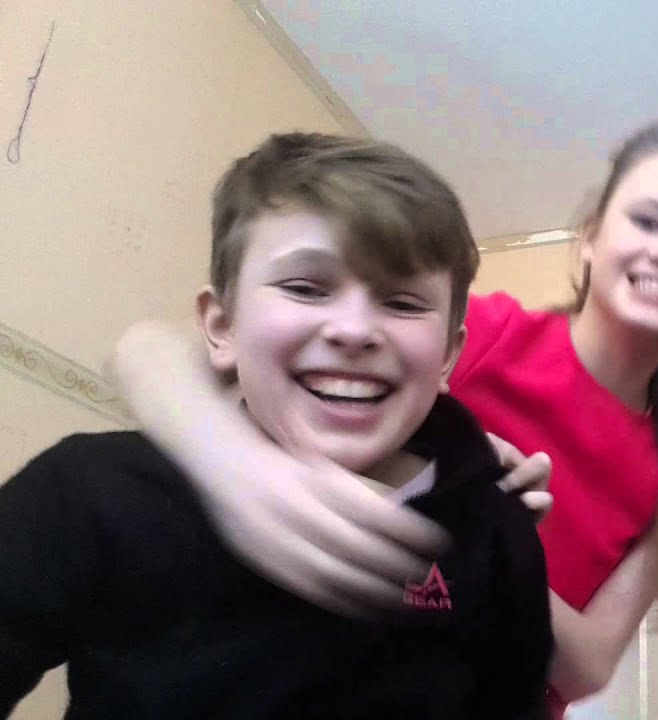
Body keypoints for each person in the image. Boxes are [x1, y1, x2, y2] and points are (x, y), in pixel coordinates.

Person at [110, 120, 658, 716]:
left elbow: (587, 666)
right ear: (590, 239)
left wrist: (482, 541)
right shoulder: (489, 334)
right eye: (647, 221)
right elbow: (150, 351)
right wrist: (238, 467)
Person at [0, 133, 552, 719]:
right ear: (221, 326)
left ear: (447, 356)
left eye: (403, 303)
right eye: (305, 288)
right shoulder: (91, 490)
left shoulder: (496, 534)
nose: (354, 330)